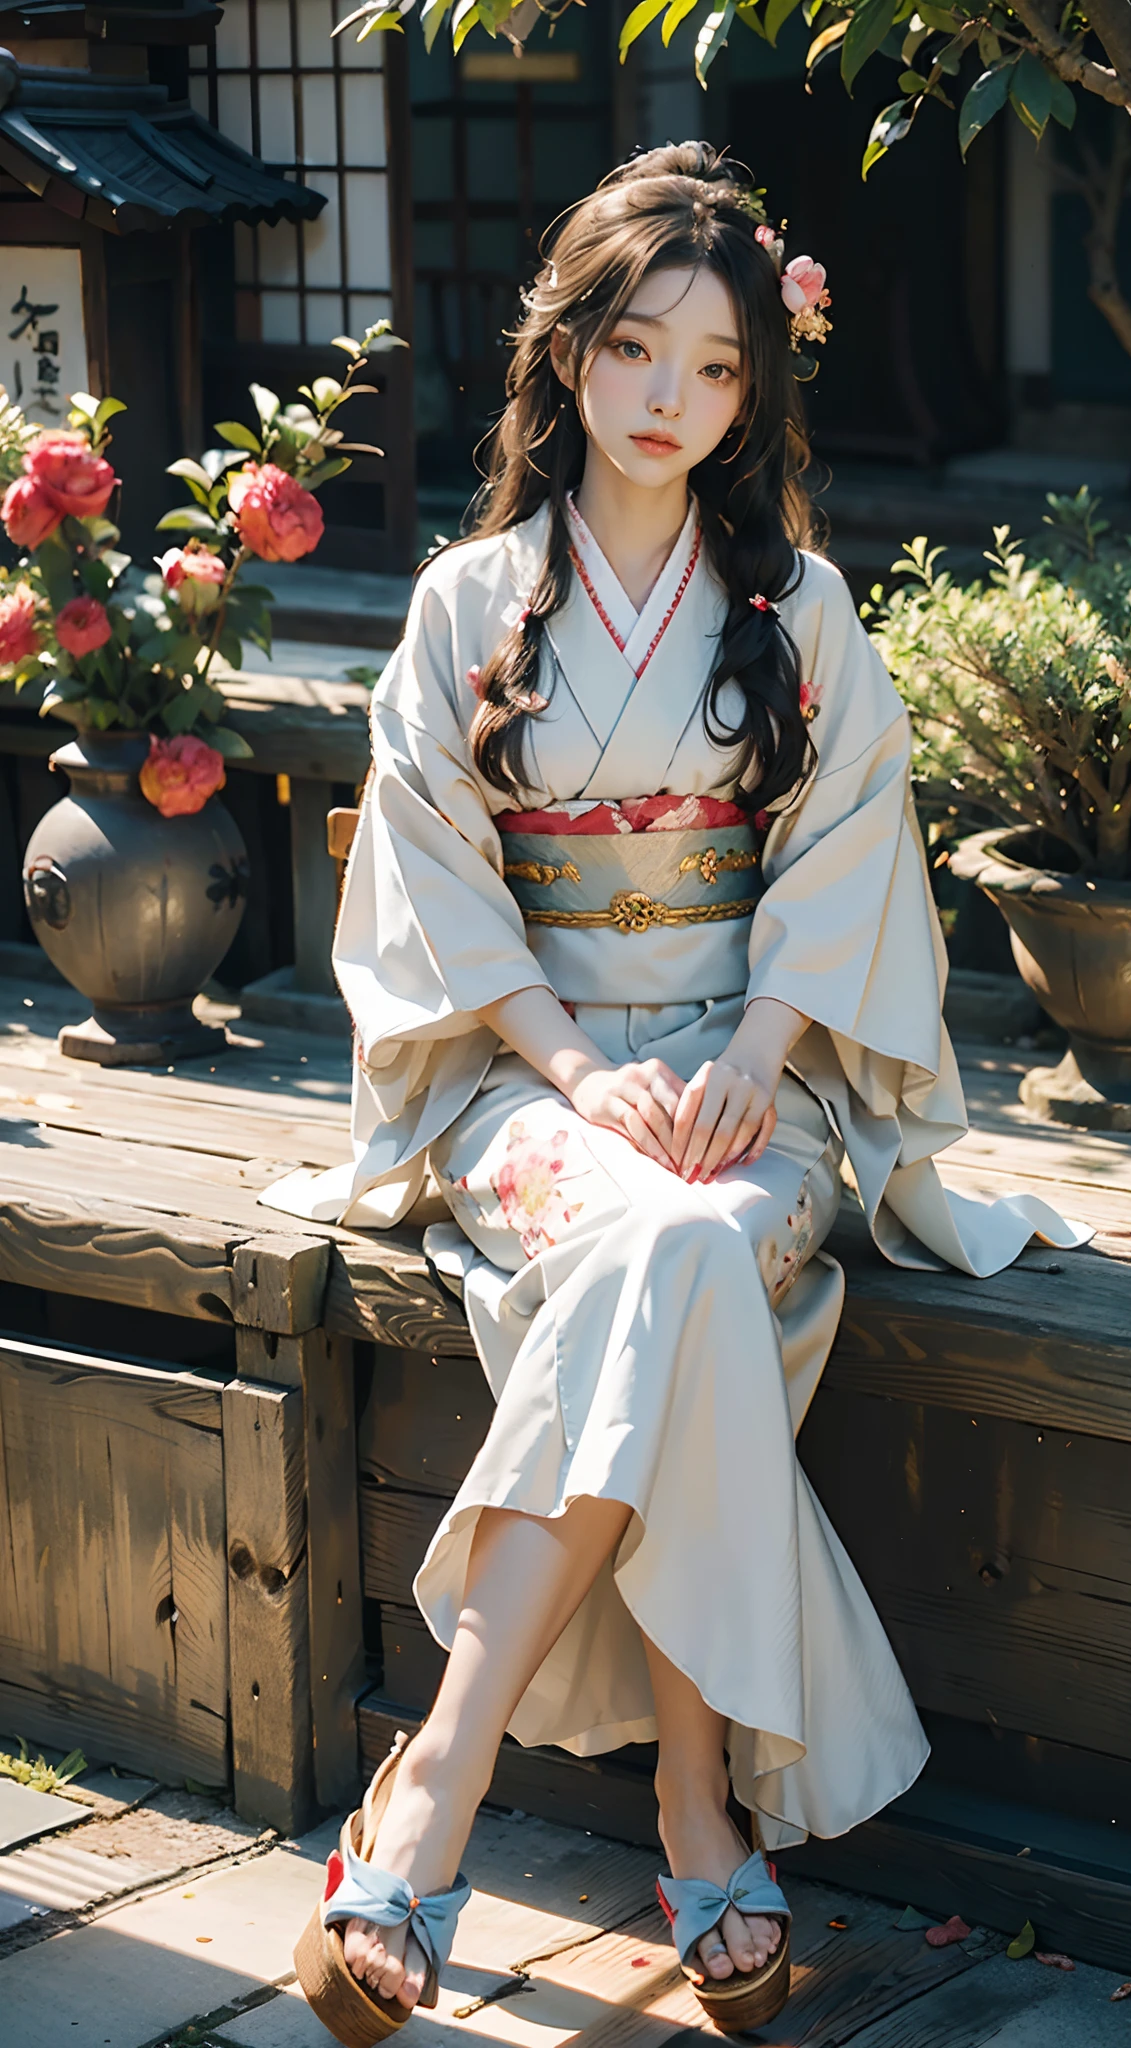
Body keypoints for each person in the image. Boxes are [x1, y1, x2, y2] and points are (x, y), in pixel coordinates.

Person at [277, 143, 1085, 2045]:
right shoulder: (470, 598)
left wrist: (736, 1061)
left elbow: (850, 858)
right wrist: (572, 1067)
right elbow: (432, 880)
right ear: (568, 355)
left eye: (714, 369)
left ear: (749, 394)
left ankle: (430, 1791)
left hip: (756, 1081)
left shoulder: (792, 607)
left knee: (696, 1234)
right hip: (524, 1078)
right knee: (683, 1257)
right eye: (635, 349)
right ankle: (699, 1803)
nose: (667, 400)